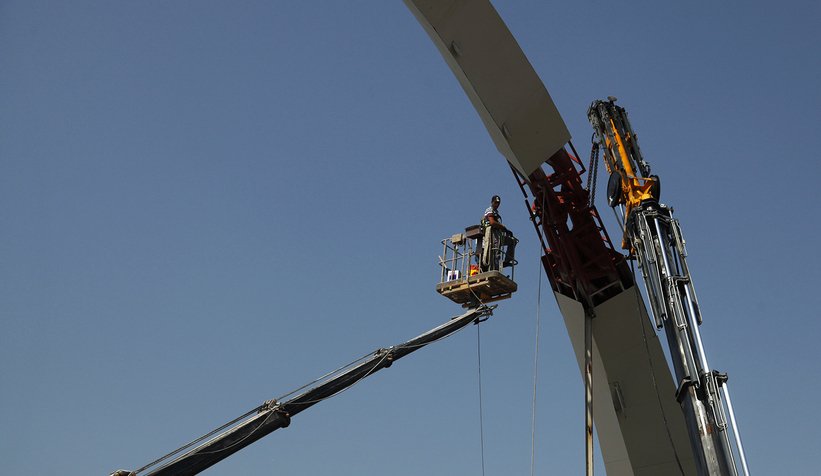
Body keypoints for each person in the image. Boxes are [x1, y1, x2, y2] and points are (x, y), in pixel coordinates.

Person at [480, 195, 516, 270]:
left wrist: (506, 231)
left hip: (498, 234)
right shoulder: (489, 210)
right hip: (491, 234)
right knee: (495, 251)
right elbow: (492, 222)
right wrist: (503, 227)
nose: (497, 204)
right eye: (495, 202)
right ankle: (495, 268)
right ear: (492, 202)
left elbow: (496, 224)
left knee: (512, 241)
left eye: (498, 203)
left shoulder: (496, 212)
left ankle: (507, 261)